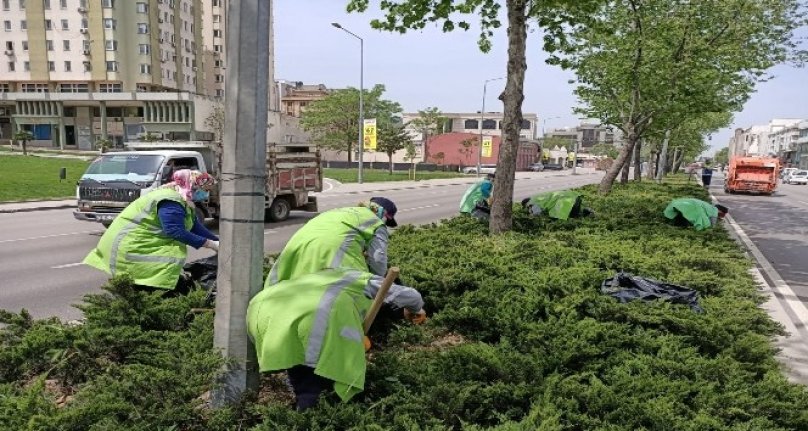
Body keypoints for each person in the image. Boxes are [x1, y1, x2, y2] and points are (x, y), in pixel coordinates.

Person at [247, 268, 427, 410]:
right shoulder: (357, 276)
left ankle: (303, 409)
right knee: (313, 384)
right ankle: (312, 414)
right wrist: (417, 309)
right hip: (311, 320)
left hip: (262, 312)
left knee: (298, 367)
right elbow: (410, 296)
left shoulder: (317, 275)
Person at [83, 169, 220, 291]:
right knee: (165, 292)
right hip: (136, 250)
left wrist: (219, 242)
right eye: (205, 189)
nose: (206, 194)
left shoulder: (183, 201)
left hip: (140, 247)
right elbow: (174, 230)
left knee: (171, 290)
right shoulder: (171, 200)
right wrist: (210, 244)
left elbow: (195, 227)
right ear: (193, 185)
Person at [265, 197, 399, 286]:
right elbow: (378, 259)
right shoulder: (376, 222)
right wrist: (378, 285)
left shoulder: (342, 211)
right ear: (384, 215)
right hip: (330, 262)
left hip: (297, 248)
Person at [663, 198, 728, 231]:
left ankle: (677, 227)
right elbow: (712, 225)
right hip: (691, 206)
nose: (722, 216)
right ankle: (680, 228)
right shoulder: (714, 211)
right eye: (723, 214)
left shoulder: (709, 207)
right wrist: (712, 230)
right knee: (688, 215)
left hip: (682, 203)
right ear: (720, 211)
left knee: (683, 214)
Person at [521, 190, 592, 220]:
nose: (528, 209)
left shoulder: (532, 202)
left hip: (564, 201)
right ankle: (587, 212)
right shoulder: (538, 197)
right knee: (574, 215)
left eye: (526, 207)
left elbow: (537, 213)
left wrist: (530, 216)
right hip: (574, 196)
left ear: (526, 204)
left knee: (560, 217)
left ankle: (585, 213)